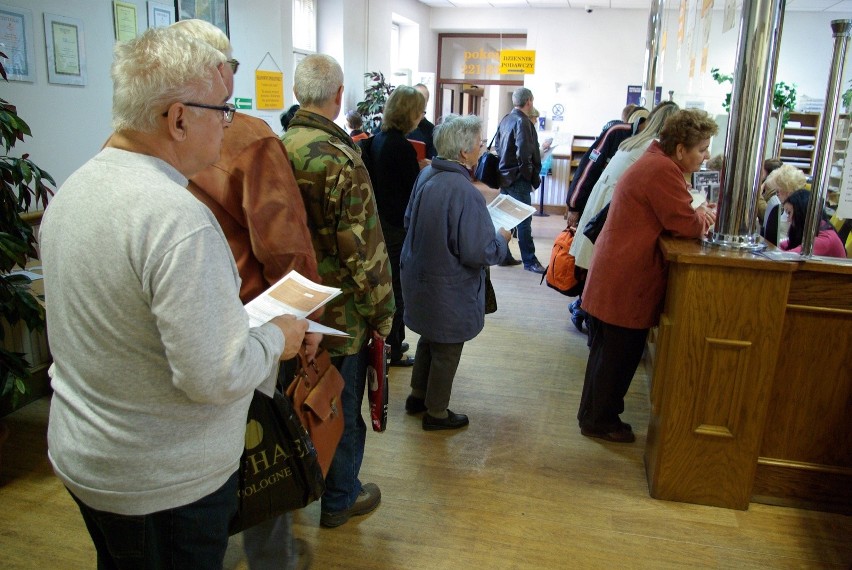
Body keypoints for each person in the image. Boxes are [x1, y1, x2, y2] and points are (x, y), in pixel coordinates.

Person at [40, 27, 308, 568]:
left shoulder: (76, 188)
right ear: (179, 118)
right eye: (223, 110)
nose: (228, 123)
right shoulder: (177, 219)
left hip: (90, 454)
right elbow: (214, 376)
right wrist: (277, 338)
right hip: (161, 481)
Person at [174, 19, 317, 570]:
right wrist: (305, 327)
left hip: (180, 319)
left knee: (198, 445)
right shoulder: (249, 136)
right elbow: (285, 248)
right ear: (220, 72)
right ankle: (271, 561)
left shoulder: (143, 137)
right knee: (261, 447)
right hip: (250, 320)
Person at [281, 54, 396, 528]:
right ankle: (340, 497)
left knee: (294, 397)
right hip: (338, 312)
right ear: (339, 95)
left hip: (287, 306)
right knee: (338, 405)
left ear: (296, 93)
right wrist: (384, 313)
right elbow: (362, 250)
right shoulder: (341, 159)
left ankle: (293, 492)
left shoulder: (276, 148)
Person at [577, 108, 718, 443]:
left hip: (616, 274)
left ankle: (595, 416)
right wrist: (704, 216)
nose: (706, 155)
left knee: (606, 353)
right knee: (618, 356)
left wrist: (695, 213)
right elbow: (686, 223)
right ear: (681, 149)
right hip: (626, 280)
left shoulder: (657, 163)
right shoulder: (662, 170)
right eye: (701, 149)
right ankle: (601, 420)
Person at [400, 114, 511, 430]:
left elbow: (409, 220)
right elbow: (480, 252)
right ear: (464, 152)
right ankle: (436, 413)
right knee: (447, 349)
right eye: (479, 143)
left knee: (428, 338)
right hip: (448, 286)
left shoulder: (427, 175)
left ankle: (417, 396)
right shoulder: (464, 191)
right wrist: (502, 238)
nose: (482, 148)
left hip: (421, 277)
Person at [568, 101, 680, 333]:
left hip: (600, 209)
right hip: (607, 214)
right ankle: (588, 315)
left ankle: (586, 311)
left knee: (593, 271)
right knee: (599, 275)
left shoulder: (633, 140)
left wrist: (575, 203)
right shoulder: (649, 147)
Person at [566, 105, 650, 329]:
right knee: (590, 262)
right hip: (596, 206)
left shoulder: (640, 142)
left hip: (608, 209)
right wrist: (573, 204)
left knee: (595, 262)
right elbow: (587, 168)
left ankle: (584, 307)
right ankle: (582, 307)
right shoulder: (617, 132)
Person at [363, 85, 425, 367]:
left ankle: (391, 344)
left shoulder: (378, 139)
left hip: (381, 222)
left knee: (390, 287)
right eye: (419, 111)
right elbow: (412, 190)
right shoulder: (400, 146)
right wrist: (422, 169)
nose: (421, 117)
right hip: (396, 225)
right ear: (409, 113)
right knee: (397, 290)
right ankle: (393, 348)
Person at [495, 87, 545, 273]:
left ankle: (503, 255)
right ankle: (530, 260)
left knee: (505, 218)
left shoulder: (506, 119)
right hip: (518, 178)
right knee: (524, 220)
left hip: (505, 176)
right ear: (529, 101)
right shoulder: (523, 122)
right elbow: (524, 152)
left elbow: (499, 147)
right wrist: (529, 176)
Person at [779, 189, 847, 257]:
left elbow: (789, 256)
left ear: (801, 212)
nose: (788, 219)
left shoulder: (825, 239)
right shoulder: (816, 227)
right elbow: (787, 244)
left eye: (789, 213)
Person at [761, 163, 807, 246]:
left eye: (778, 191)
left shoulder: (798, 211)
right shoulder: (783, 205)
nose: (777, 194)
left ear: (788, 192)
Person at [407, 83, 437, 159]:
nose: (419, 103)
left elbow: (434, 157)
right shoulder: (397, 122)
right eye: (416, 99)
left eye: (423, 100)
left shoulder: (432, 130)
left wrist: (429, 163)